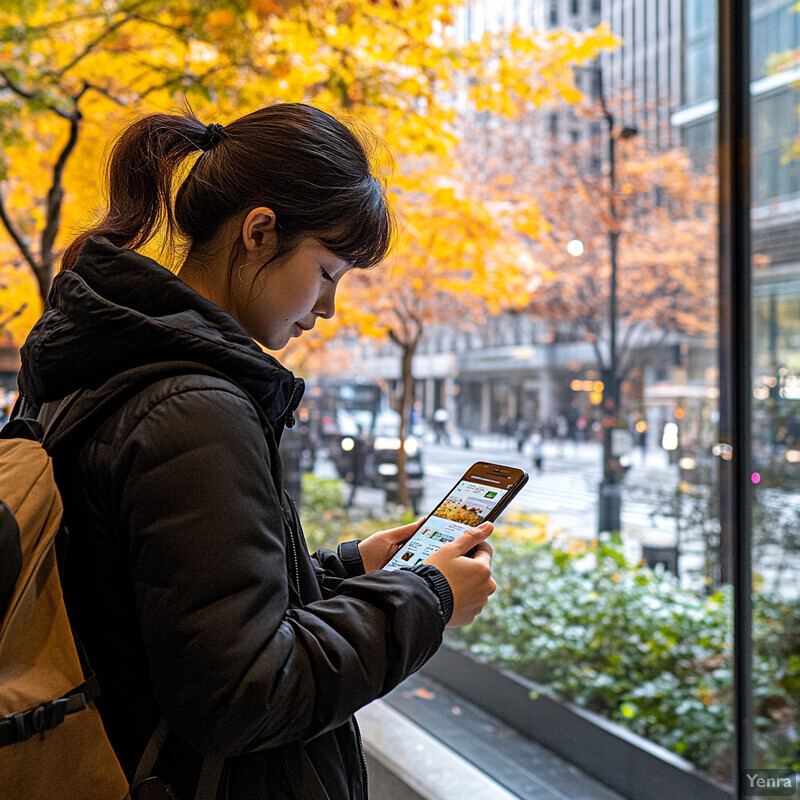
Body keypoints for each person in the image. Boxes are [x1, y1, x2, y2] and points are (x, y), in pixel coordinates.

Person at [16, 104, 496, 800]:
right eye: (328, 271)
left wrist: (351, 570)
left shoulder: (102, 362)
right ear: (260, 232)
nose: (329, 306)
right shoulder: (195, 408)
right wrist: (428, 596)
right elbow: (240, 694)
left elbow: (170, 615)